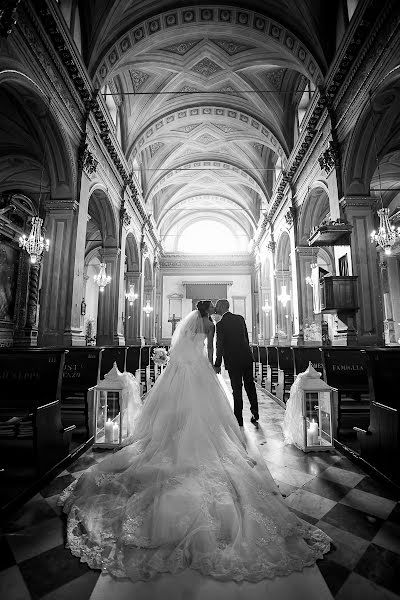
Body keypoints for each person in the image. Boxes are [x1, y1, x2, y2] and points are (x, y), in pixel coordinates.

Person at [59, 300, 330, 583]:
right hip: (202, 368)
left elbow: (179, 348)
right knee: (210, 408)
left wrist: (182, 361)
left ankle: (176, 434)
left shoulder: (193, 323)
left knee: (175, 411)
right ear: (208, 311)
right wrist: (213, 365)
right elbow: (211, 347)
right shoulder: (212, 325)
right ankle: (237, 419)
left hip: (182, 368)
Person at [213, 299, 259, 430]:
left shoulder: (220, 325)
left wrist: (217, 363)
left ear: (222, 307)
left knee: (236, 389)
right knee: (250, 385)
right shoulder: (240, 319)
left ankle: (238, 418)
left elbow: (219, 345)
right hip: (246, 357)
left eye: (217, 306)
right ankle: (255, 412)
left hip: (233, 360)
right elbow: (246, 337)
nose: (216, 308)